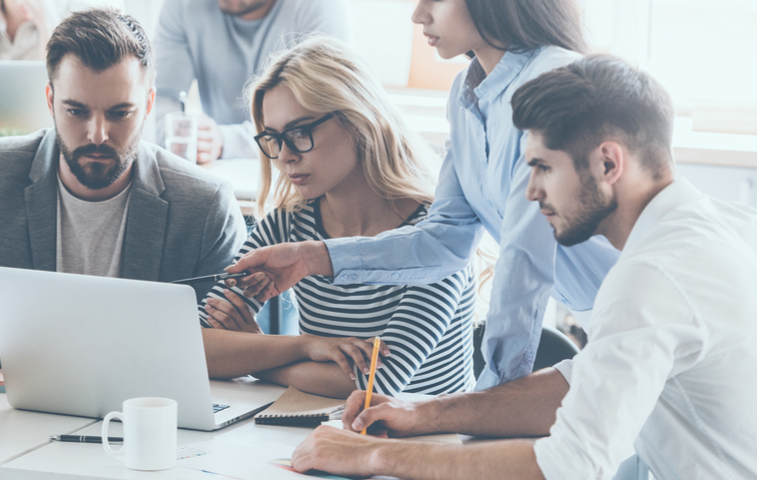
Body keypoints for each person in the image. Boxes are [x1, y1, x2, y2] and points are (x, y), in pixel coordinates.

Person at [288, 55, 757, 480]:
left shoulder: (651, 278)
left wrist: (373, 457)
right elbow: (585, 384)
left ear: (608, 162)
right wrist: (424, 412)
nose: (530, 193)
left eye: (543, 168)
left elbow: (569, 465)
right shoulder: (719, 227)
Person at [227, 0, 620, 391]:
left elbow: (524, 268)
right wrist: (313, 257)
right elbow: (444, 240)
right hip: (607, 321)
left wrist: (489, 403)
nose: (418, 15)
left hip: (637, 309)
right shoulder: (466, 94)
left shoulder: (549, 81)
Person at [0, 8, 246, 375]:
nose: (97, 134)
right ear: (50, 100)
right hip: (14, 412)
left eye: (120, 113)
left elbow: (229, 346)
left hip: (150, 414)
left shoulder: (206, 207)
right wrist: (35, 356)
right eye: (76, 111)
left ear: (149, 105)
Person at [199, 36, 477, 400]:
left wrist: (254, 351)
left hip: (432, 443)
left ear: (357, 119)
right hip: (324, 432)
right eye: (273, 138)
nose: (284, 156)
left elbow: (374, 383)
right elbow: (199, 346)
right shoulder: (289, 225)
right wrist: (307, 346)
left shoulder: (437, 236)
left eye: (300, 132)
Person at [153, 0, 349, 164]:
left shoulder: (319, 7)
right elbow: (158, 100)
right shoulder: (180, 5)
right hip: (218, 169)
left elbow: (322, 119)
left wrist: (225, 141)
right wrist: (190, 135)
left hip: (296, 165)